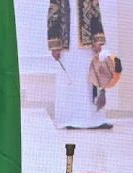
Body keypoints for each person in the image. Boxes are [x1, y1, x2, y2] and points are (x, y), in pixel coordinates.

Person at [48, 0, 113, 129]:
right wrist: (54, 45)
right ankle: (69, 119)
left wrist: (97, 40)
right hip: (66, 46)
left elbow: (95, 13)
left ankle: (94, 119)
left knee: (90, 80)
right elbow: (53, 16)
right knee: (69, 82)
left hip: (87, 45)